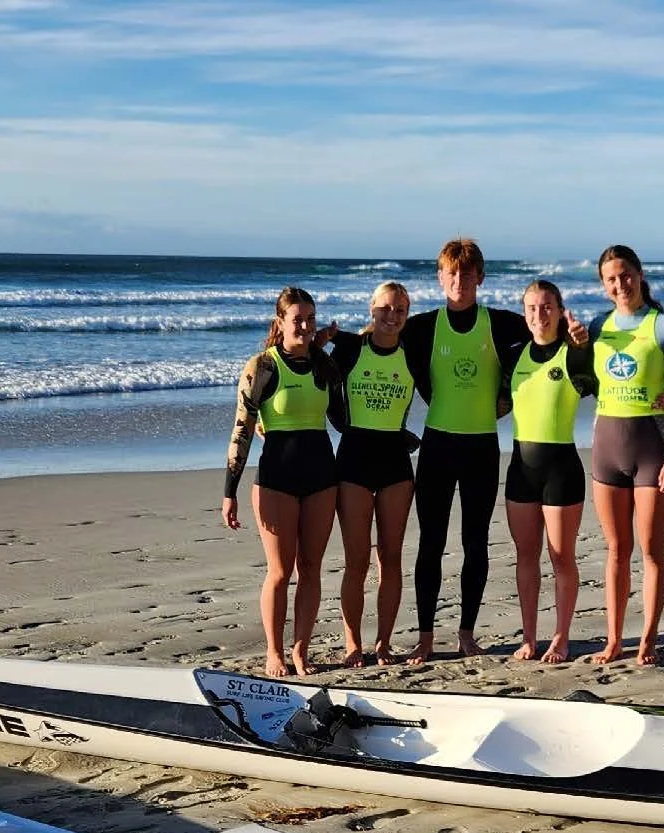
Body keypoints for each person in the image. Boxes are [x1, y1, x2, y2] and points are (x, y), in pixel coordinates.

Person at [400, 239, 586, 665]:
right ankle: (426, 637)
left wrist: (580, 338)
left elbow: (548, 337)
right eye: (451, 273)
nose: (459, 281)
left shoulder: (503, 324)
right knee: (430, 543)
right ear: (440, 278)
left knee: (475, 543)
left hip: (482, 447)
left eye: (467, 274)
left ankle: (466, 633)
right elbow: (380, 354)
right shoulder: (422, 327)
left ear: (480, 277)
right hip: (437, 446)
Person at [222, 287, 347, 678]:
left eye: (311, 318)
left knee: (311, 568)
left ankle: (300, 650)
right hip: (276, 480)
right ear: (280, 322)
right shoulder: (262, 366)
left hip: (322, 479)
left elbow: (343, 423)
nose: (306, 326)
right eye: (298, 319)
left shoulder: (325, 367)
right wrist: (230, 491)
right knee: (280, 570)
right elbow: (242, 430)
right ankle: (273, 652)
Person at [586, 245, 664, 666]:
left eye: (626, 274)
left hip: (653, 450)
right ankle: (613, 640)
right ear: (603, 285)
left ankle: (647, 638)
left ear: (639, 274)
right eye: (611, 278)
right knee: (615, 550)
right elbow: (583, 379)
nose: (620, 283)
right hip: (606, 451)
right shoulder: (597, 327)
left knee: (650, 548)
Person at [498, 280, 594, 663]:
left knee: (561, 557)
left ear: (560, 310)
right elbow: (494, 404)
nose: (540, 314)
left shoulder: (572, 355)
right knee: (525, 556)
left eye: (547, 306)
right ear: (525, 313)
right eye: (533, 307)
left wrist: (583, 344)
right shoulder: (514, 358)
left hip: (561, 472)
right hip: (521, 469)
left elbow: (609, 384)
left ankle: (561, 637)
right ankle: (530, 637)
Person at [328, 282, 417, 667]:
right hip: (353, 462)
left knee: (391, 558)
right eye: (385, 308)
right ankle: (353, 644)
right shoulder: (349, 349)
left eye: (400, 310)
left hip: (396, 465)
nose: (392, 316)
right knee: (357, 561)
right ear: (372, 309)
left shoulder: (414, 354)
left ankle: (382, 643)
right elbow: (306, 368)